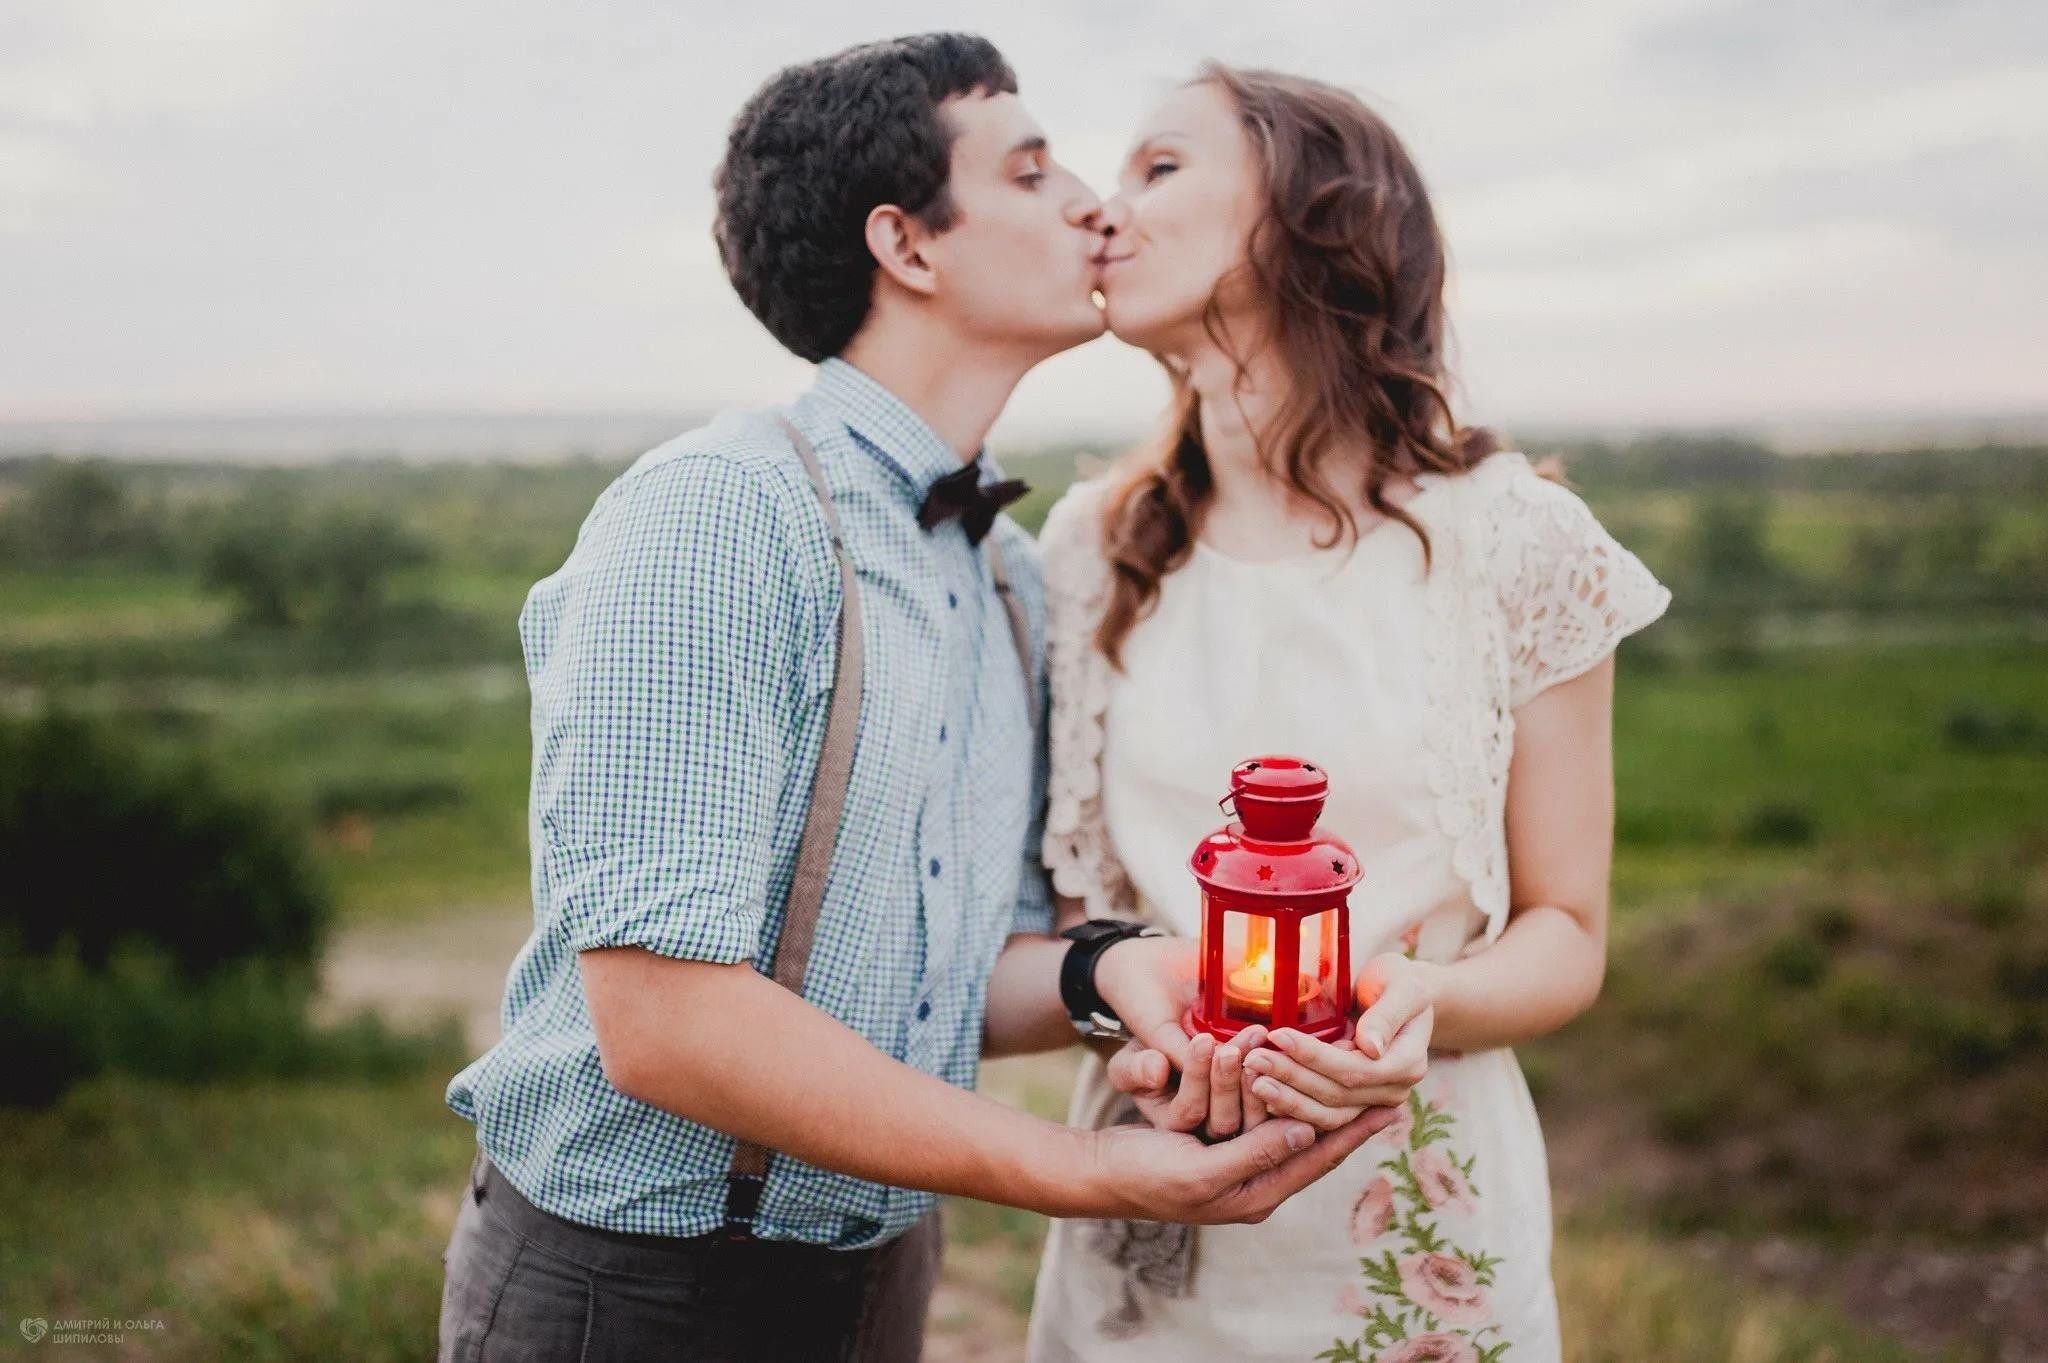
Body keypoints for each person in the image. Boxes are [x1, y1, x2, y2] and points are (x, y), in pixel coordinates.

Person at [435, 36, 1389, 1363]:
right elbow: (664, 1022)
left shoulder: (1002, 572)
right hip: (635, 1288)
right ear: (910, 245)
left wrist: (1121, 975)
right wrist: (1082, 1171)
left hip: (880, 1277)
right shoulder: (714, 515)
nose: (1092, 208)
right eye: (1033, 170)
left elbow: (950, 983)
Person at [1026, 64, 1672, 1363]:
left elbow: (1568, 931)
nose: (1104, 209)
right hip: (1149, 1214)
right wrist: (1136, 1013)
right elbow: (1064, 924)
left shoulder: (1518, 541)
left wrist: (1418, 1002)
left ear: (1305, 218)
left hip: (1414, 1212)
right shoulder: (1091, 547)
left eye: (1160, 168)